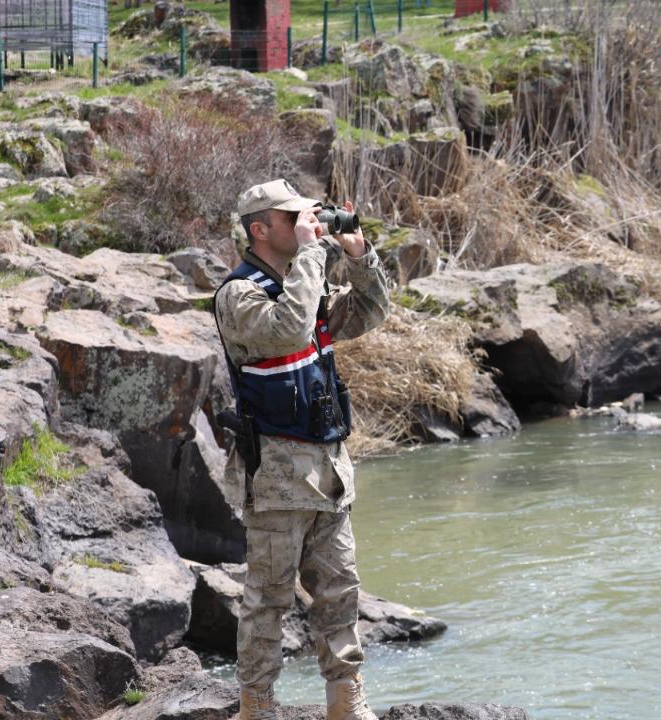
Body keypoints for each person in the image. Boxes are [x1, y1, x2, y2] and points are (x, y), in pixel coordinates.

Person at [213, 179, 390, 720]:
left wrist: (357, 255)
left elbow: (371, 310)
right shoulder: (239, 295)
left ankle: (345, 698)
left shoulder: (304, 286)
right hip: (276, 476)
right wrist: (314, 253)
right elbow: (289, 330)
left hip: (329, 470)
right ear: (260, 230)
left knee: (340, 591)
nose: (307, 224)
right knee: (268, 599)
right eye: (293, 218)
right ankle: (257, 704)